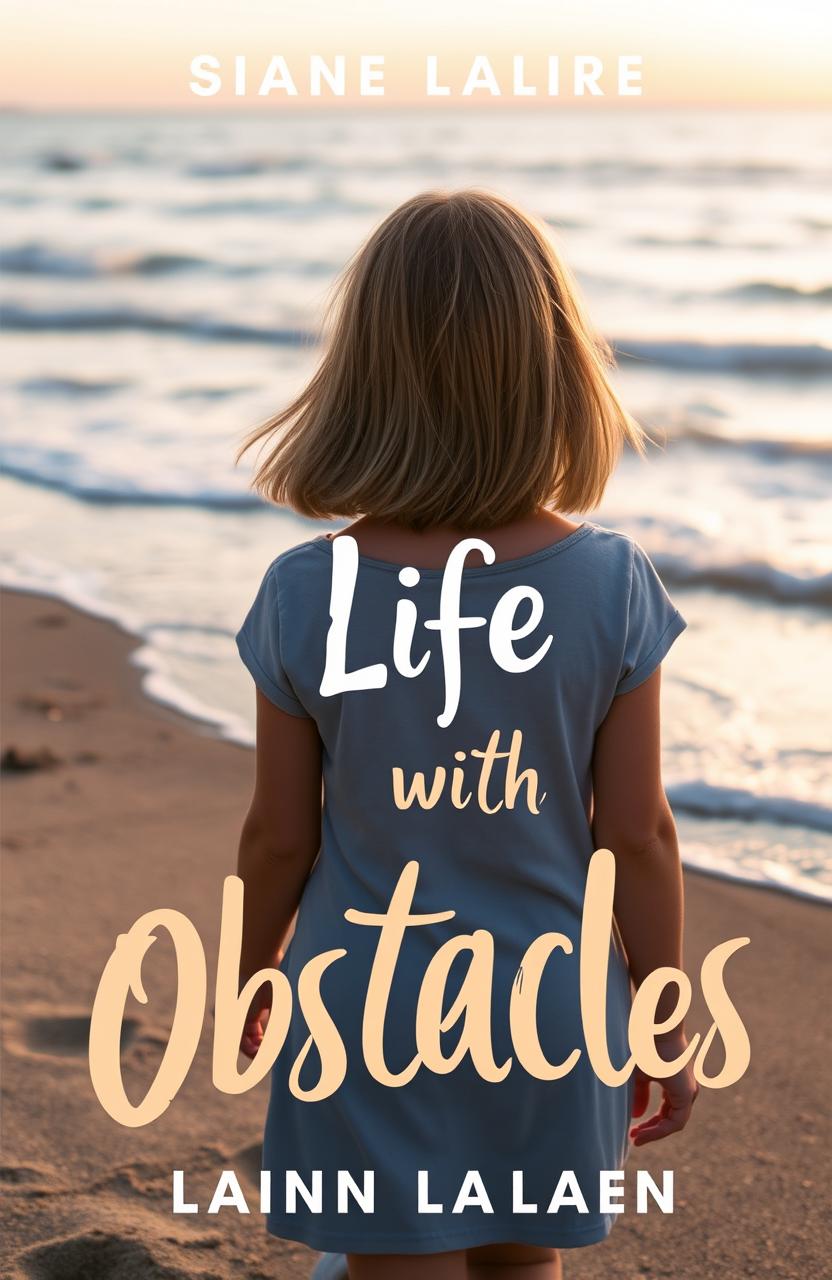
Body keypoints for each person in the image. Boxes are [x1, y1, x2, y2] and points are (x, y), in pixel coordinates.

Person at [234, 191, 695, 1280]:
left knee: (395, 1262)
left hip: (372, 996)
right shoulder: (609, 583)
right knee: (522, 1260)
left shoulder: (309, 591)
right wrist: (664, 1012)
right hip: (552, 997)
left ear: (362, 376)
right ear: (556, 371)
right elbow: (637, 834)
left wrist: (253, 968)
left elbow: (276, 837)